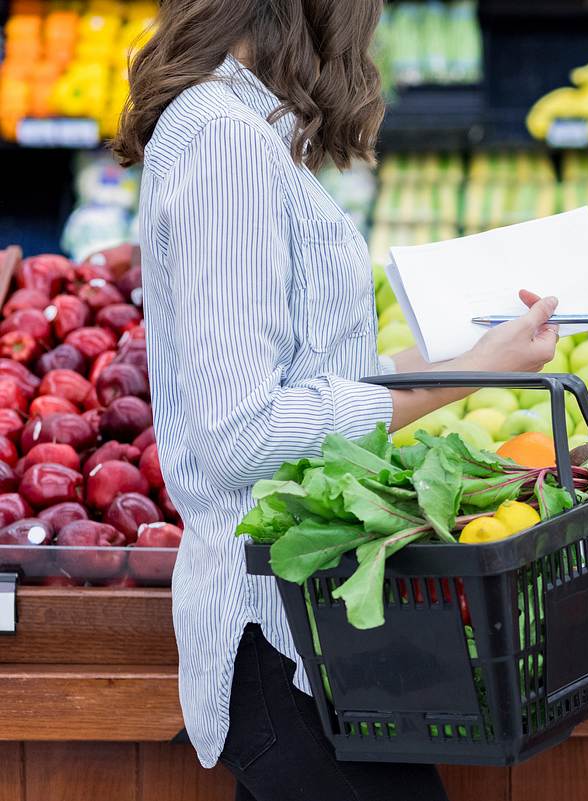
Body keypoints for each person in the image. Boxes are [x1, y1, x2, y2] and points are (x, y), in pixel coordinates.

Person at [110, 2, 558, 798]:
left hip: (316, 636)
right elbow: (241, 432)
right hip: (276, 638)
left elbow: (305, 373)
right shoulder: (225, 142)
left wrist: (476, 355)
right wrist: (459, 378)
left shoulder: (242, 127)